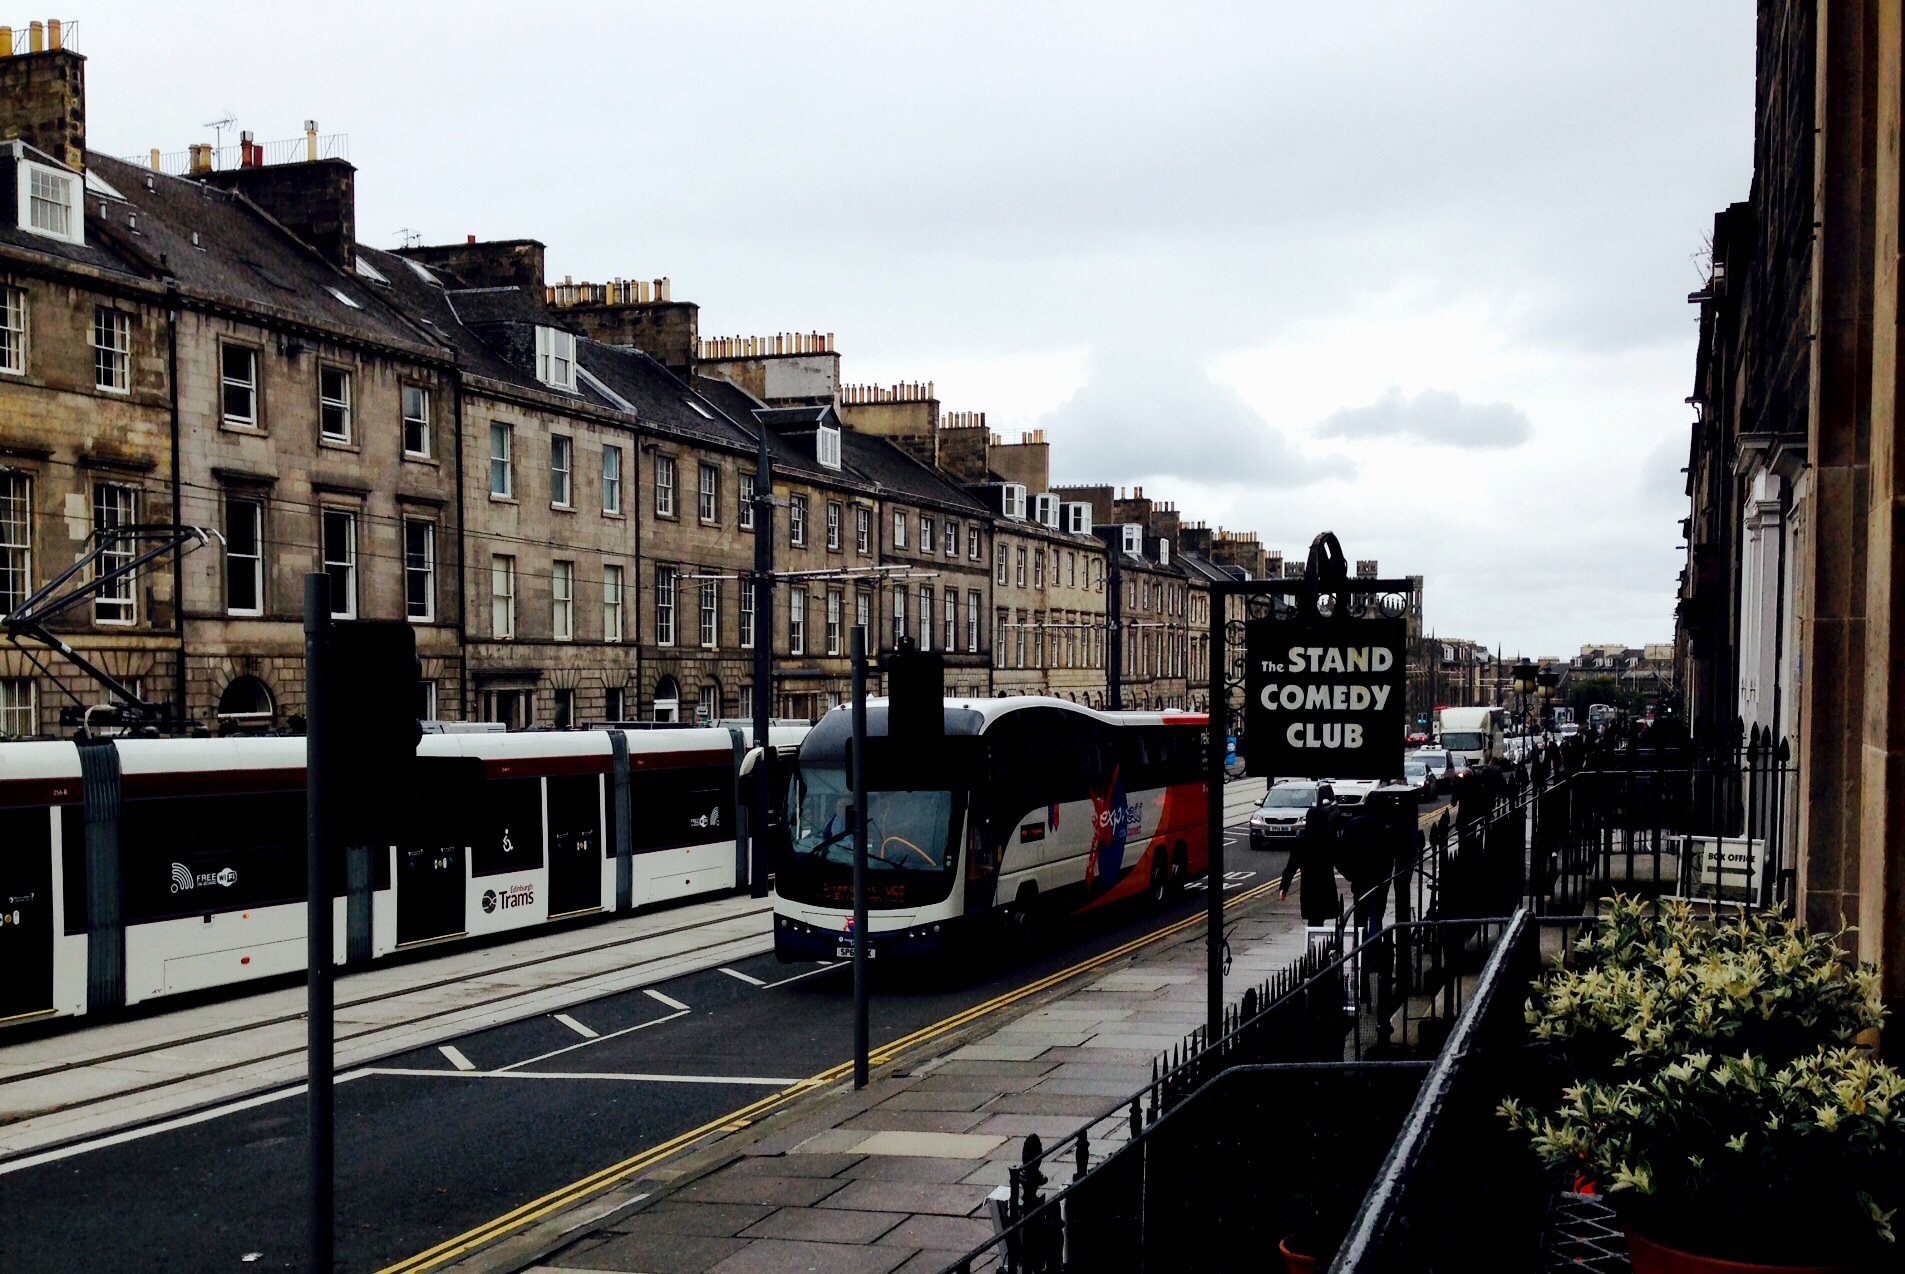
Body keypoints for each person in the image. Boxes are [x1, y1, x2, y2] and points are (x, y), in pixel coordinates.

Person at [1279, 783, 1343, 925]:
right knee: (1321, 918)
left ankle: (1314, 946)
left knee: (1313, 920)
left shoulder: (1301, 841)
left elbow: (1291, 866)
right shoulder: (1329, 838)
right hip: (1326, 885)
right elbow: (1339, 860)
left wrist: (1284, 887)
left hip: (1309, 886)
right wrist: (1351, 876)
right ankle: (1321, 945)